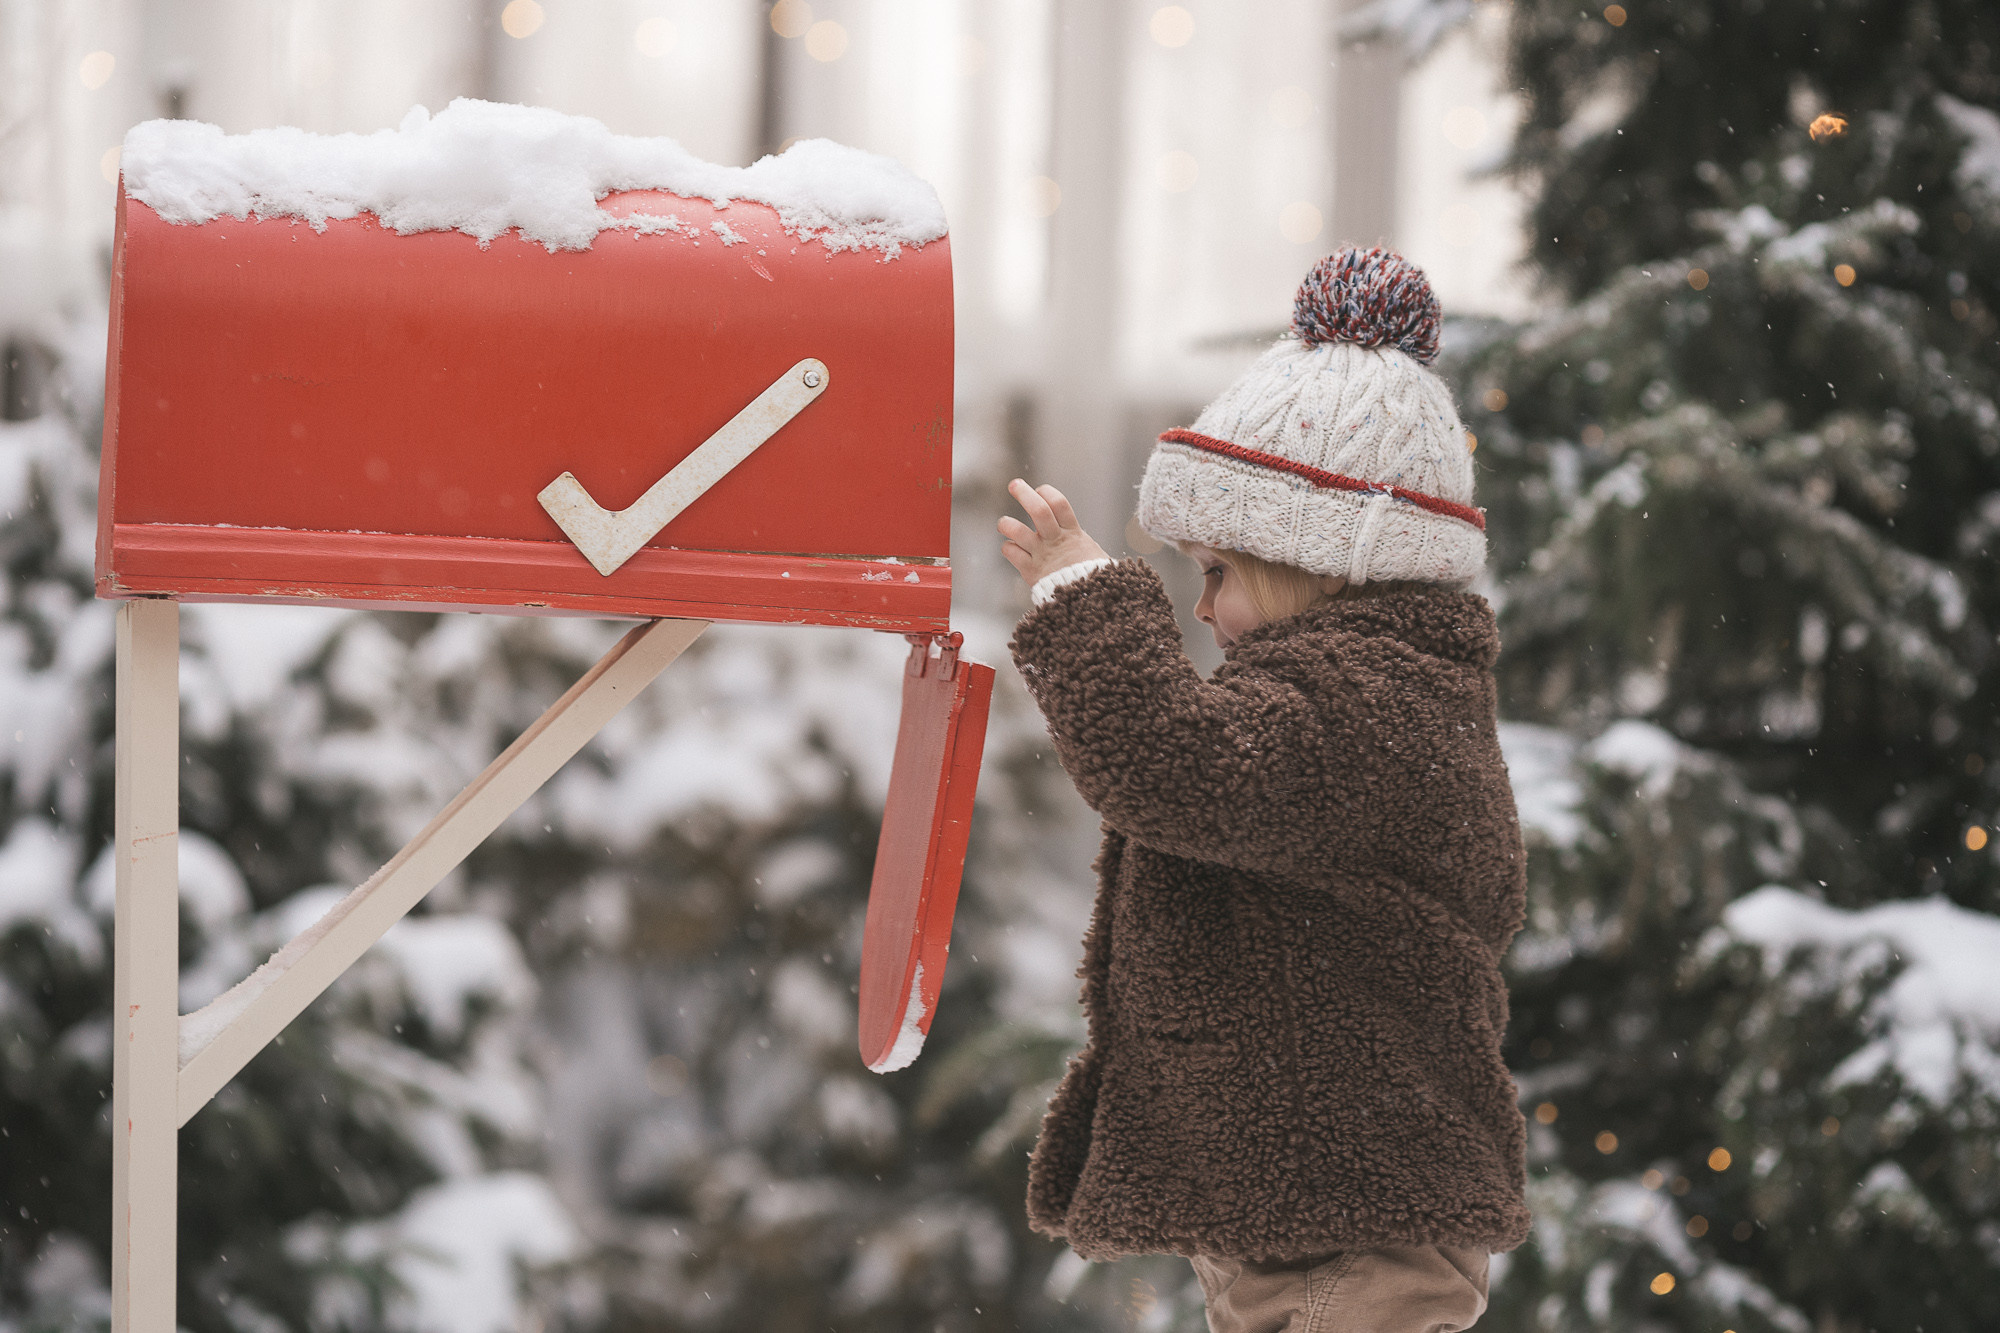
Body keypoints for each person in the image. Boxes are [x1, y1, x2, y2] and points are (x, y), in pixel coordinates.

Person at [995, 247, 1528, 1333]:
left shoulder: (1363, 704)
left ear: (1315, 560)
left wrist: (1085, 595)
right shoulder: (1367, 693)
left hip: (1357, 1236)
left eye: (1218, 574)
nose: (1199, 611)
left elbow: (1170, 763)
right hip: (1313, 1214)